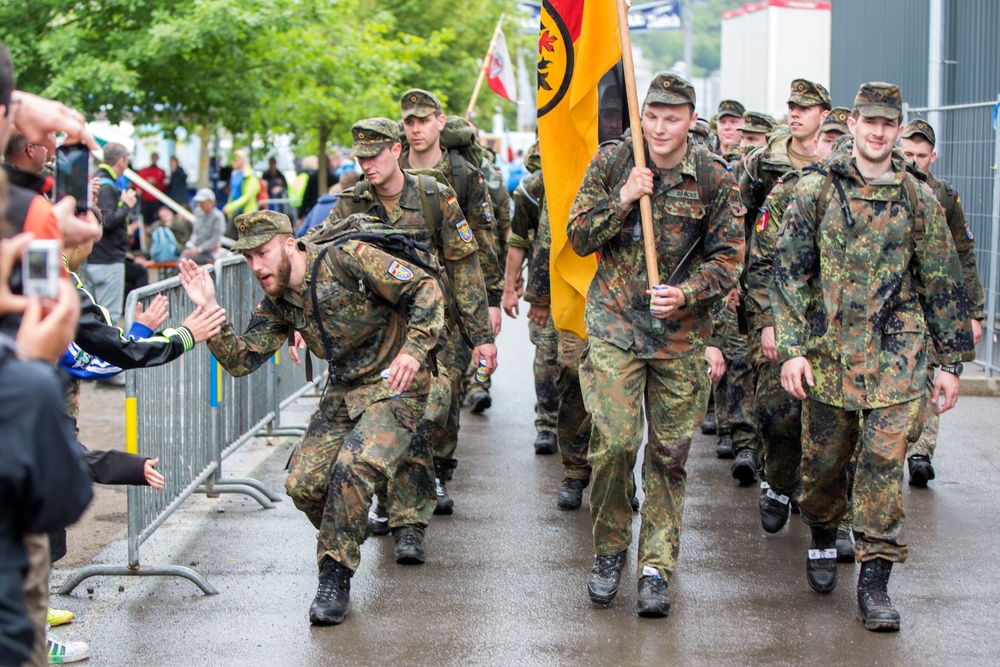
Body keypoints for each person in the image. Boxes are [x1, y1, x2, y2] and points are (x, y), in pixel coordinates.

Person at [771, 82, 975, 632]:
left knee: (884, 464)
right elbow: (789, 275)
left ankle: (876, 580)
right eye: (871, 121)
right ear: (854, 122)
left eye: (890, 123)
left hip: (897, 357)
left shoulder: (918, 198)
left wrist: (952, 363)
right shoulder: (815, 191)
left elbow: (941, 279)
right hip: (829, 355)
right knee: (824, 465)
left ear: (898, 128)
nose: (879, 132)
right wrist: (791, 350)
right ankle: (819, 528)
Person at [177, 209, 445, 626]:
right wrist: (210, 309)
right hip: (343, 390)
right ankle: (351, 522)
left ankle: (334, 577)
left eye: (262, 253)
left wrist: (414, 349)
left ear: (289, 244)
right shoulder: (280, 300)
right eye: (247, 259)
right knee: (303, 485)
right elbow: (241, 359)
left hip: (396, 381)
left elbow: (425, 289)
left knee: (352, 467)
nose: (256, 267)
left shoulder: (347, 258)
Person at [567, 73, 743, 617]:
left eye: (673, 117)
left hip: (679, 337)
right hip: (617, 328)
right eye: (653, 116)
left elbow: (730, 257)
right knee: (616, 445)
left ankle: (655, 567)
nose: (661, 128)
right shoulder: (615, 161)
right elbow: (576, 235)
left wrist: (687, 293)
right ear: (641, 117)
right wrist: (623, 198)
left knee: (668, 457)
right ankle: (610, 550)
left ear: (692, 119)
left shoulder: (715, 176)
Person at [329, 118, 496, 557]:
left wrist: (481, 335)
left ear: (396, 150)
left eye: (374, 155)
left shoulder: (433, 196)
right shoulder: (350, 203)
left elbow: (463, 265)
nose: (366, 165)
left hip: (432, 332)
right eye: (360, 157)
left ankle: (410, 523)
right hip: (373, 339)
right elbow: (319, 263)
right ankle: (391, 507)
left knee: (424, 418)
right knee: (385, 421)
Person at [745, 106, 849, 545]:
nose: (833, 148)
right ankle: (779, 480)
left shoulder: (861, 198)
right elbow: (761, 262)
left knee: (843, 435)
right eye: (827, 139)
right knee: (780, 417)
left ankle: (834, 521)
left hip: (843, 337)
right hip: (789, 325)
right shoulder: (789, 191)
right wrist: (768, 323)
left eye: (840, 140)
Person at [396, 89, 504, 513]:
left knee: (444, 395)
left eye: (424, 119)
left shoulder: (464, 174)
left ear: (440, 121)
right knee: (401, 395)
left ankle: (439, 471)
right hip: (401, 307)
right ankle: (402, 485)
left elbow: (483, 239)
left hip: (454, 306)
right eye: (409, 121)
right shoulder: (391, 168)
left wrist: (492, 298)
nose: (416, 128)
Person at [898, 118, 986, 486]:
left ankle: (920, 452)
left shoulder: (944, 197)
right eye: (908, 154)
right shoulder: (891, 187)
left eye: (922, 155)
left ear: (934, 156)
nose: (915, 161)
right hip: (900, 302)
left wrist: (974, 313)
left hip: (935, 302)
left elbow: (962, 258)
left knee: (932, 373)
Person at [503, 144, 559, 457]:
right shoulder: (532, 188)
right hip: (546, 286)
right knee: (547, 355)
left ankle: (584, 426)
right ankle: (548, 425)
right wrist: (511, 288)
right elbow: (519, 241)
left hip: (589, 286)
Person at [86, 141, 137, 324]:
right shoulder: (106, 185)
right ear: (122, 160)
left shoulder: (99, 180)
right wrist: (126, 206)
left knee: (96, 318)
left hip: (95, 258)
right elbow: (105, 221)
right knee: (109, 319)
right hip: (107, 261)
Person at [182, 188, 226, 265]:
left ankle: (176, 276)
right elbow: (195, 233)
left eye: (203, 202)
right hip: (195, 248)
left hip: (210, 253)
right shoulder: (198, 213)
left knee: (187, 260)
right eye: (199, 202)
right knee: (185, 255)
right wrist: (191, 246)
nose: (200, 205)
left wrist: (199, 250)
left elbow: (215, 239)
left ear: (210, 202)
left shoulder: (218, 217)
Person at [222, 149, 259, 234]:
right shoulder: (235, 174)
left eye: (235, 159)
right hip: (235, 212)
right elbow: (232, 193)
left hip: (245, 213)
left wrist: (230, 207)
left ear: (242, 160)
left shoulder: (250, 176)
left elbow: (247, 196)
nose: (233, 161)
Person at [136, 153, 167, 225]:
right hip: (145, 200)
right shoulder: (143, 171)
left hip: (156, 200)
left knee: (156, 220)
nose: (154, 159)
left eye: (156, 158)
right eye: (153, 157)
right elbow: (138, 182)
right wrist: (138, 189)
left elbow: (163, 187)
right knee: (145, 221)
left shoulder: (161, 172)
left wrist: (156, 183)